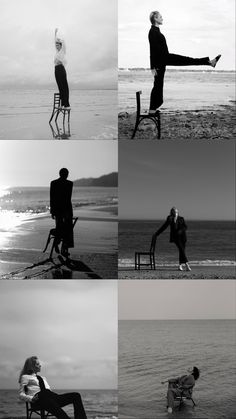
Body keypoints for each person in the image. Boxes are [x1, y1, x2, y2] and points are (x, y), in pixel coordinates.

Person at [148, 11, 221, 113]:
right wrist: (152, 67)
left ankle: (209, 62)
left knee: (159, 84)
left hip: (164, 59)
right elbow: (152, 50)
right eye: (160, 17)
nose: (162, 18)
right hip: (161, 61)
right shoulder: (152, 32)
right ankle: (152, 109)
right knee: (158, 85)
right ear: (155, 18)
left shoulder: (156, 31)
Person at [19, 356, 87, 419]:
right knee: (43, 394)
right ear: (31, 366)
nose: (40, 365)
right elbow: (21, 394)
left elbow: (49, 392)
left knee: (76, 395)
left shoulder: (43, 378)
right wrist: (31, 398)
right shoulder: (25, 377)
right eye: (37, 364)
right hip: (37, 400)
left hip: (50, 398)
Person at [154, 207, 191, 271]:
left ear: (178, 212)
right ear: (172, 212)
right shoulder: (170, 218)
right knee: (181, 250)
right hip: (176, 238)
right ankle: (187, 265)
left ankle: (180, 266)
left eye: (176, 211)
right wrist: (157, 233)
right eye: (174, 211)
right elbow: (164, 226)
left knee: (182, 251)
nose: (175, 212)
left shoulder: (181, 218)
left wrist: (181, 230)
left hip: (183, 237)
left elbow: (185, 227)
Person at [50, 168, 74, 258]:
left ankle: (62, 247)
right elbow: (68, 198)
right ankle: (61, 246)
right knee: (66, 229)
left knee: (63, 228)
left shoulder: (54, 183)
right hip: (65, 209)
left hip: (59, 209)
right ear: (66, 174)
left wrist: (52, 211)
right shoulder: (69, 184)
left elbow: (52, 198)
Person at [54, 28, 70, 110]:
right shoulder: (57, 52)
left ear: (61, 45)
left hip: (61, 69)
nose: (57, 46)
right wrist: (55, 34)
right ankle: (62, 104)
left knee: (64, 86)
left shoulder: (63, 51)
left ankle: (67, 105)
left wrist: (59, 37)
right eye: (56, 45)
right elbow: (54, 42)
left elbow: (64, 43)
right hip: (56, 70)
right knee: (60, 87)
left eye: (58, 45)